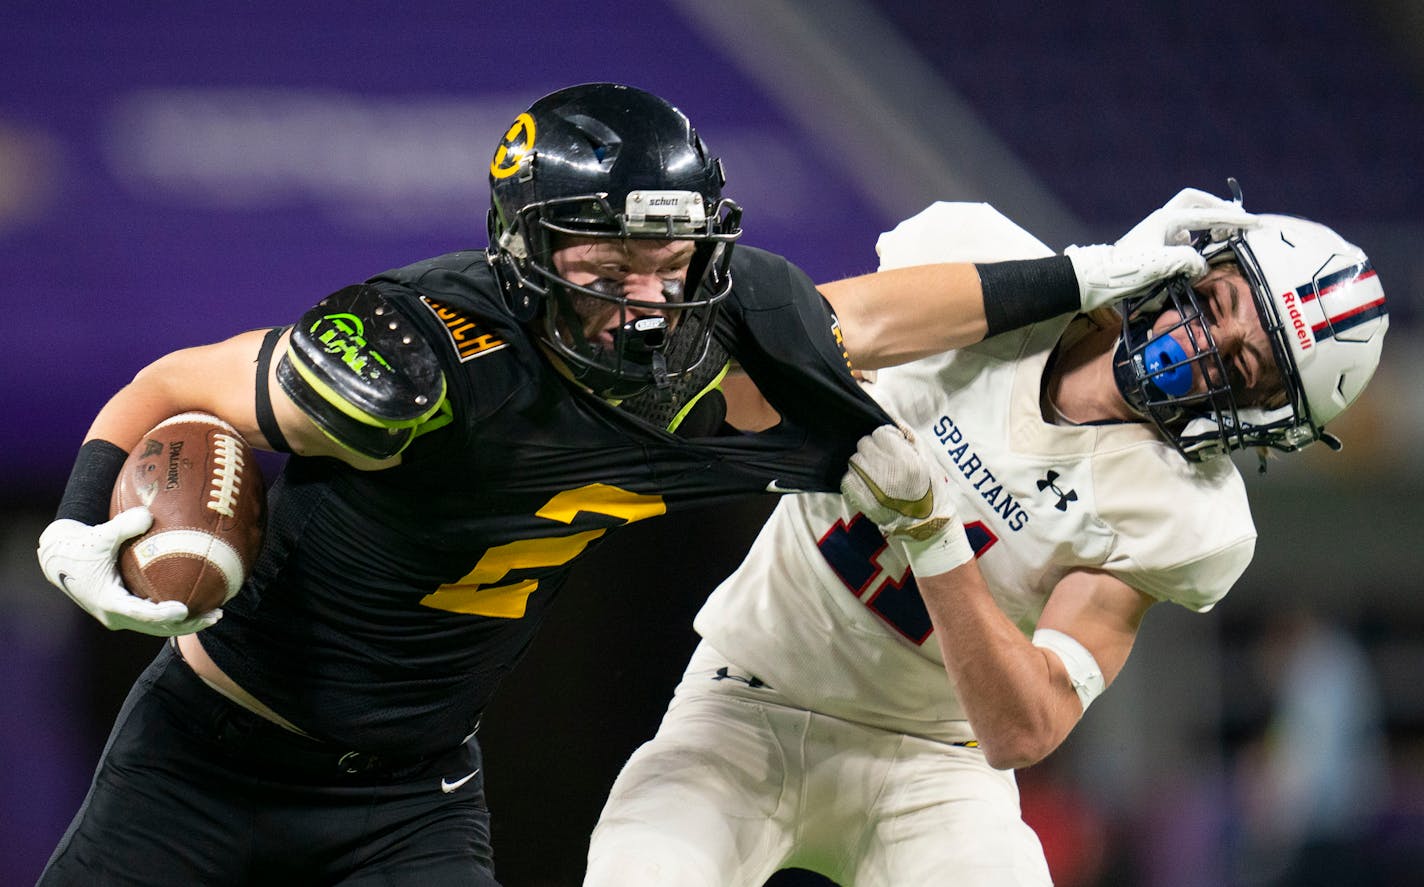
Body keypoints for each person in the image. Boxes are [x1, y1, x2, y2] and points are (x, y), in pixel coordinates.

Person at [32, 82, 1212, 886]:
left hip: (412, 787)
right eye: (607, 266)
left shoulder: (731, 347)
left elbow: (871, 315)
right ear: (527, 252)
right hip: (216, 743)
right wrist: (83, 511)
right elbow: (177, 378)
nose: (647, 298)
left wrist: (1078, 274)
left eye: (671, 260)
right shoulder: (424, 351)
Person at [585, 187, 1389, 886]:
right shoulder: (983, 257)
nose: (1202, 348)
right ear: (1187, 261)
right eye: (1214, 305)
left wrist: (934, 534)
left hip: (932, 762)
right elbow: (787, 347)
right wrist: (1073, 277)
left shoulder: (1183, 514)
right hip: (750, 690)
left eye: (1246, 366)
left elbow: (1024, 727)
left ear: (1264, 415)